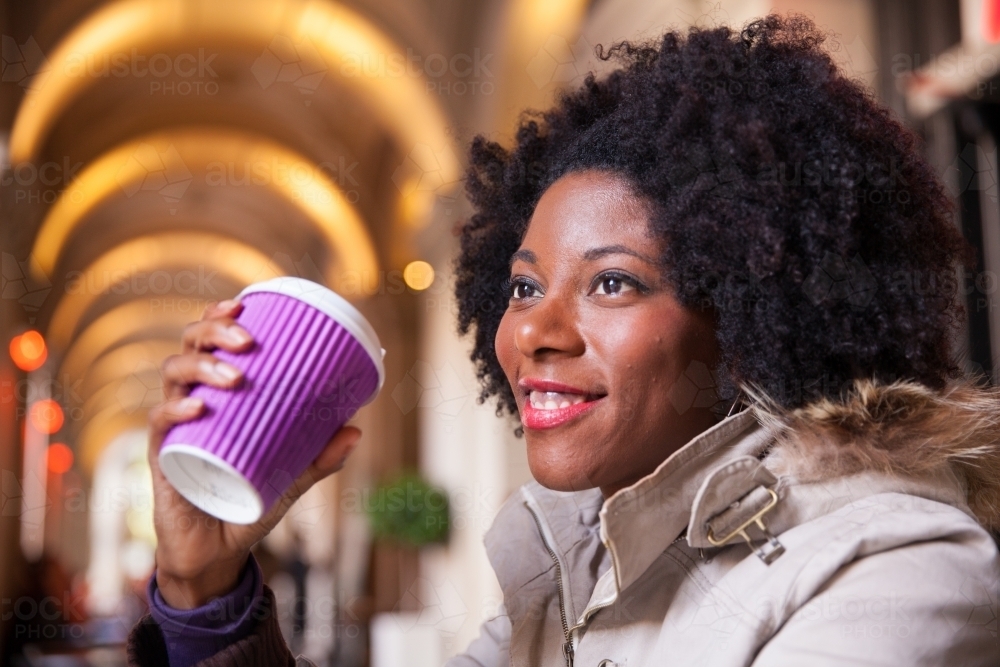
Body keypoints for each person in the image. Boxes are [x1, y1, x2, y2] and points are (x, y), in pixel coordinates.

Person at [127, 14, 1000, 666]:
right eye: (523, 285)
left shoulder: (898, 571)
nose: (536, 332)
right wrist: (204, 589)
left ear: (748, 315)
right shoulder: (570, 566)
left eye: (613, 282)